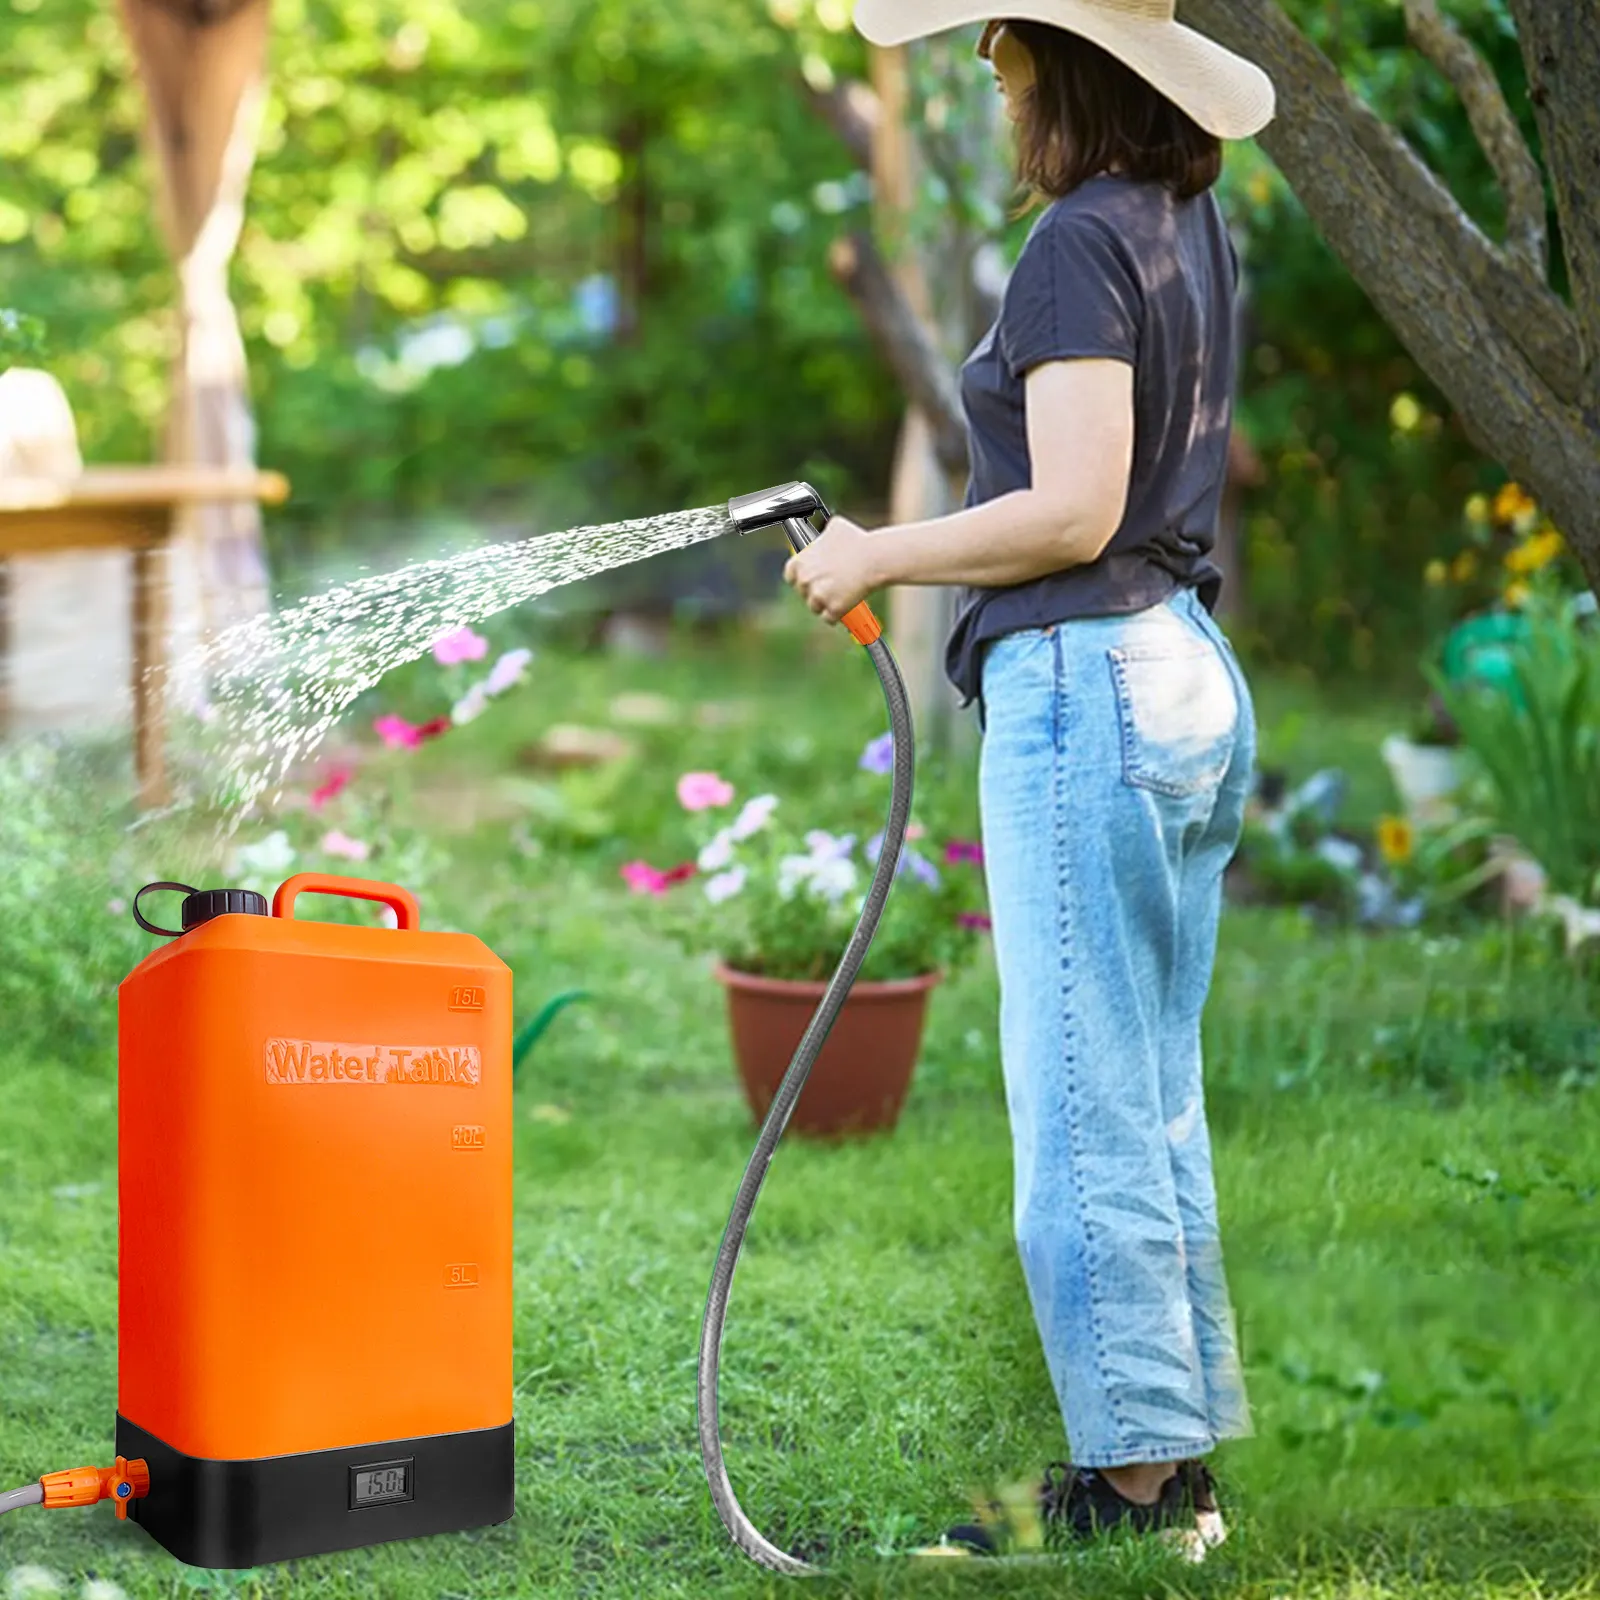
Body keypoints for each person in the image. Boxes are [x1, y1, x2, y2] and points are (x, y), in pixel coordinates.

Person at [782, 0, 1275, 1560]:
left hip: (1090, 679)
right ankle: (1170, 1472)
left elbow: (1073, 507)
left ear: (1066, 64)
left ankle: (1126, 1492)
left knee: (1081, 1102)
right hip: (1183, 665)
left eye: (999, 45)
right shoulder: (1190, 225)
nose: (986, 72)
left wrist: (879, 552)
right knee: (1152, 1097)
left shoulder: (1076, 243)